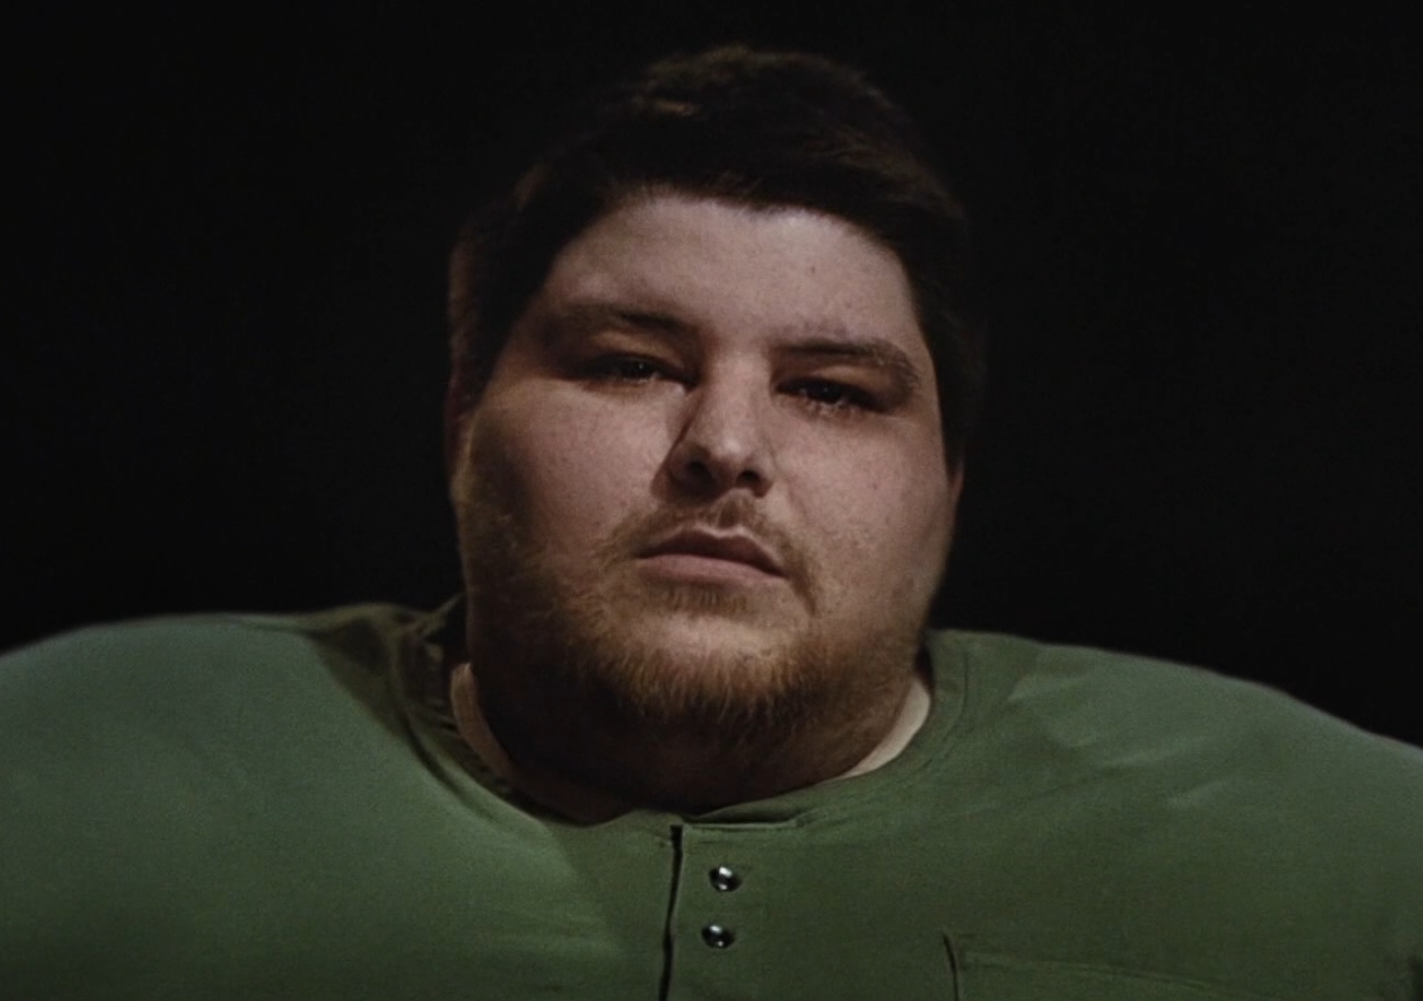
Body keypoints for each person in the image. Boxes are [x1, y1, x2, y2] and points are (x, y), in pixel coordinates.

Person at [1, 45, 1419, 1001]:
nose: (725, 447)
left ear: (950, 486)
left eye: (833, 391)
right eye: (630, 365)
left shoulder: (1353, 858)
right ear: (460, 424)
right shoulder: (64, 772)